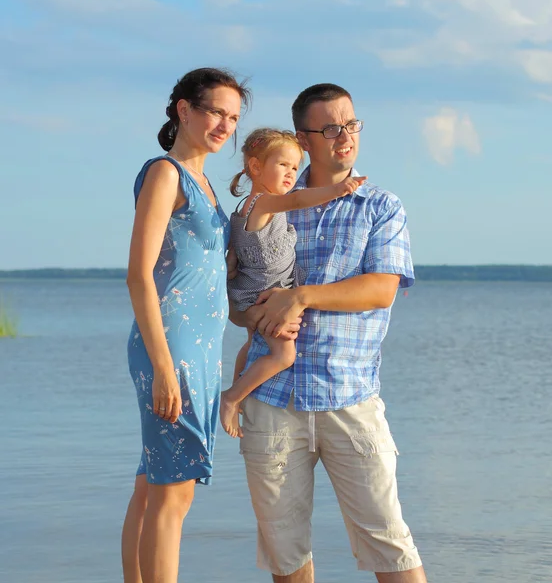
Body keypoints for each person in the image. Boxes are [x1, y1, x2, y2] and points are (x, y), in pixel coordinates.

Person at [229, 84, 428, 583]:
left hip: (351, 398)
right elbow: (235, 292)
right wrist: (251, 315)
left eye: (352, 124)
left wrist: (300, 296)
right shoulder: (271, 203)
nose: (345, 136)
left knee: (391, 545)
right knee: (286, 554)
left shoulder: (380, 206)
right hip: (273, 399)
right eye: (331, 128)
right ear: (304, 138)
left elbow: (381, 290)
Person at [121, 67, 251, 583]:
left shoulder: (204, 183)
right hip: (170, 348)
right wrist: (163, 367)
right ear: (183, 110)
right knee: (173, 494)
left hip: (197, 348)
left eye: (234, 117)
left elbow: (198, 267)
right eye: (215, 111)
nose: (225, 125)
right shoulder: (166, 173)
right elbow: (138, 275)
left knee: (152, 485)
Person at [221, 127, 365, 438]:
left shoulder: (246, 207)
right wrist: (338, 190)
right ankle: (232, 398)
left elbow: (237, 249)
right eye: (283, 165)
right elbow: (299, 200)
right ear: (256, 167)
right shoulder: (263, 202)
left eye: (295, 167)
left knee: (252, 345)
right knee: (283, 355)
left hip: (253, 289)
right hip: (263, 293)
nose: (291, 173)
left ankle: (238, 392)